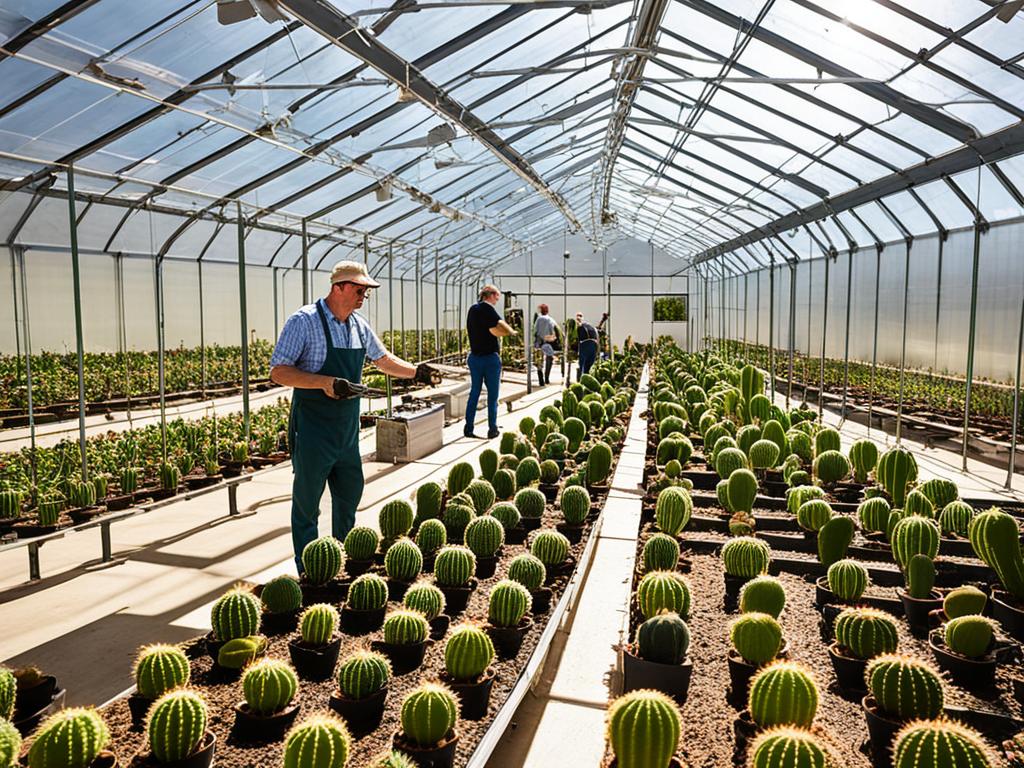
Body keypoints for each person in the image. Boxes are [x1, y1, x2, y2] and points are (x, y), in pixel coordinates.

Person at [270, 260, 435, 572]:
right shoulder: (304, 321)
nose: (363, 296)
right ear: (338, 287)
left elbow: (383, 359)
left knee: (349, 494)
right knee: (307, 503)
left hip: (346, 430)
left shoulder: (358, 326)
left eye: (366, 292)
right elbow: (279, 371)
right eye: (359, 290)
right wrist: (324, 383)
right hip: (313, 428)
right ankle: (310, 568)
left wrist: (418, 372)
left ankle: (342, 558)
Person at [464, 284, 513, 439]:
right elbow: (500, 325)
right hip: (490, 358)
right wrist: (512, 331)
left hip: (474, 357)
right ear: (490, 295)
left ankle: (468, 428)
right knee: (493, 395)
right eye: (497, 296)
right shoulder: (488, 309)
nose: (498, 299)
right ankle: (492, 429)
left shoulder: (472, 310)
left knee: (474, 393)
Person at [533, 303, 558, 387]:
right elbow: (553, 331)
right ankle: (547, 377)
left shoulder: (539, 319)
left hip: (539, 342)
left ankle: (541, 380)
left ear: (541, 310)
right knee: (549, 359)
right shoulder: (550, 319)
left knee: (539, 361)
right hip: (548, 342)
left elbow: (535, 330)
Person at [575, 311, 599, 379]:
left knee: (582, 365)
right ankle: (586, 379)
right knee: (588, 365)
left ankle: (581, 380)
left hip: (585, 344)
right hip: (593, 344)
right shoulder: (590, 326)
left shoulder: (579, 326)